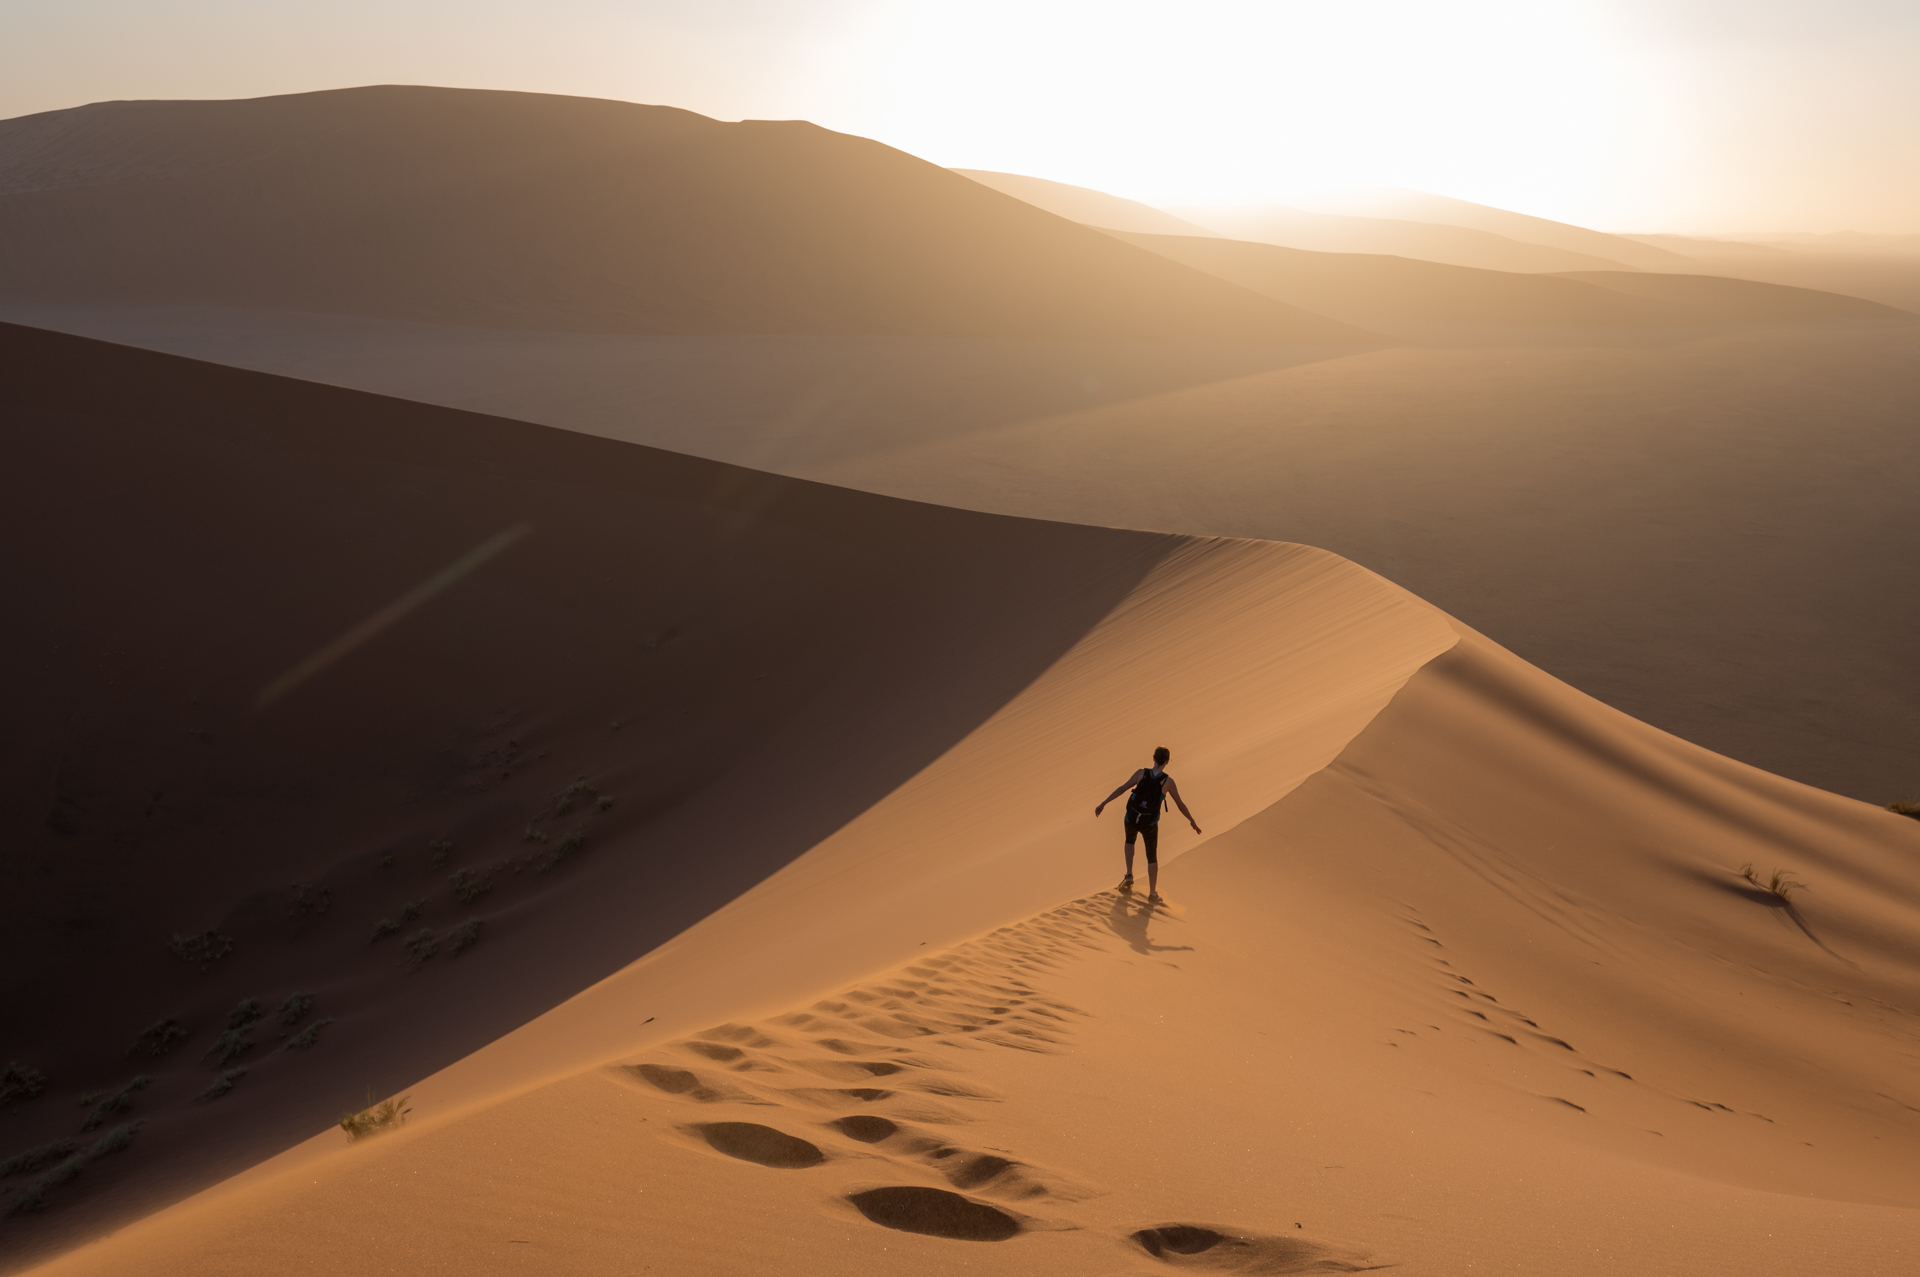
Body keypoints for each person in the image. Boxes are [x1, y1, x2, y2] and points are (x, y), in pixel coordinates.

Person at [1094, 746, 1200, 902]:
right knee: (1151, 856)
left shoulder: (1141, 773)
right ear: (1167, 762)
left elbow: (1122, 789)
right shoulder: (1168, 781)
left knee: (1129, 841)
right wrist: (1191, 820)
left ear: (1153, 758)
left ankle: (1129, 874)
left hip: (1131, 817)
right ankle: (1152, 893)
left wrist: (1103, 803)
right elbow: (1180, 804)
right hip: (1150, 824)